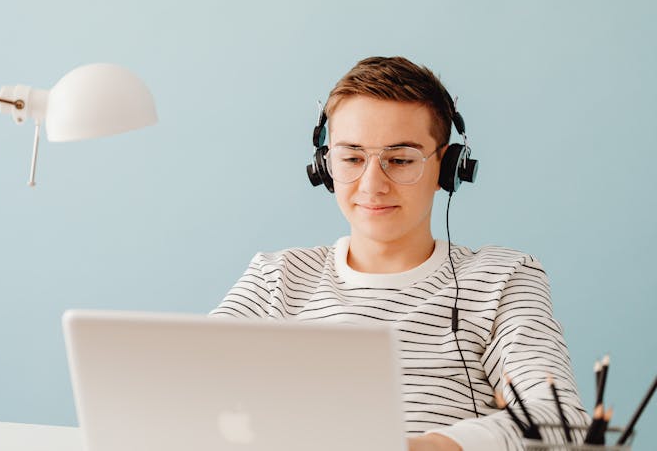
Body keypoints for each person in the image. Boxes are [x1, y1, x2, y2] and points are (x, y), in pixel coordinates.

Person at [210, 57, 589, 451]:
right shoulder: (277, 276)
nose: (372, 185)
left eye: (401, 160)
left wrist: (427, 447)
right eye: (352, 158)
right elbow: (187, 387)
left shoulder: (503, 278)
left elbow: (561, 422)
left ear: (448, 167)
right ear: (324, 165)